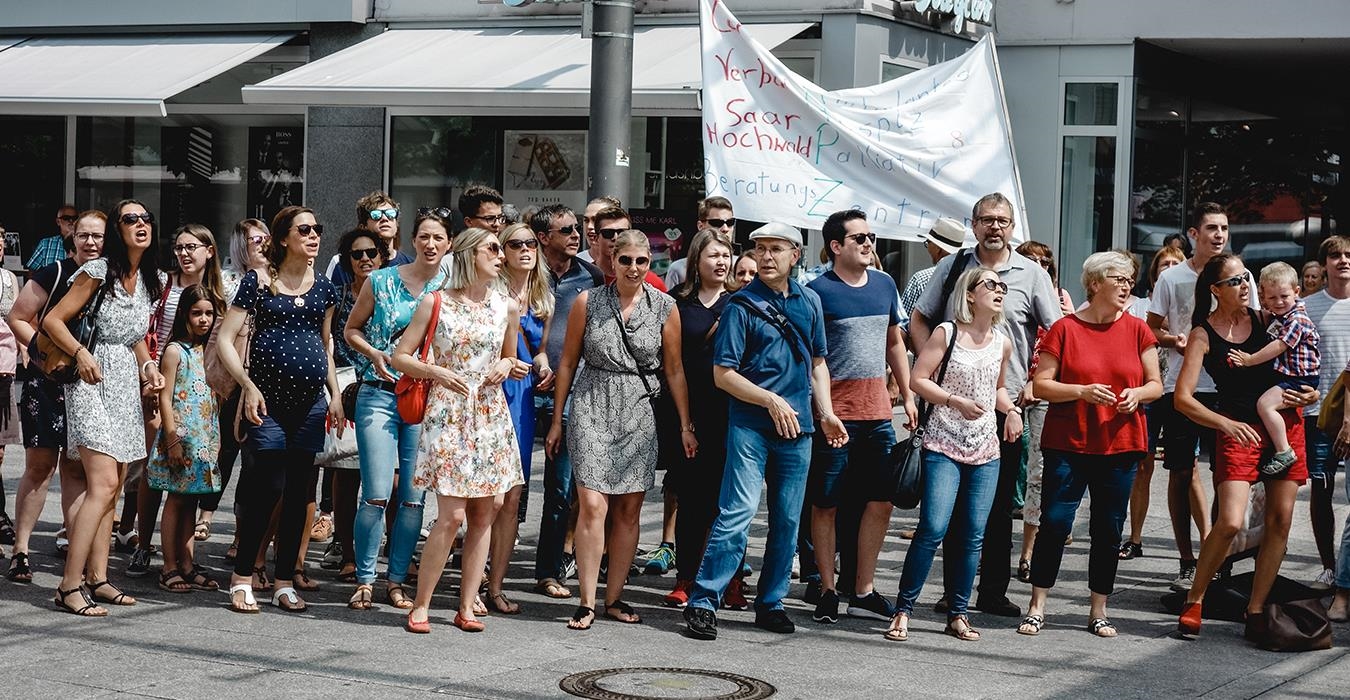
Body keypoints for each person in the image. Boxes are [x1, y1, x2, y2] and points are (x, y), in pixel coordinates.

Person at [683, 222, 847, 641]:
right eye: (760, 249)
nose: (766, 256)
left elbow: (817, 364)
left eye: (776, 249)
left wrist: (826, 412)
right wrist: (770, 400)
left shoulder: (809, 302)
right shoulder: (741, 306)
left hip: (800, 430)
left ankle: (770, 602)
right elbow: (723, 375)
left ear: (796, 254)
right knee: (736, 514)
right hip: (751, 427)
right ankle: (703, 601)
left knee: (788, 521)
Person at [911, 192, 1061, 619]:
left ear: (1013, 228)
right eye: (987, 220)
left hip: (1004, 404)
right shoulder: (954, 266)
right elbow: (919, 319)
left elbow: (1055, 332)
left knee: (996, 507)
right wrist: (933, 368)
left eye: (1003, 221)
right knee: (950, 506)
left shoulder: (1032, 274)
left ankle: (992, 590)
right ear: (974, 225)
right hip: (948, 407)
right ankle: (954, 590)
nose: (995, 227)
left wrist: (1034, 382)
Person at [546, 229, 695, 630]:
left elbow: (675, 369)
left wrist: (685, 424)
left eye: (641, 261)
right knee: (593, 505)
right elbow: (567, 362)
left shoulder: (665, 307)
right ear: (611, 261)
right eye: (625, 260)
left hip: (640, 409)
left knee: (628, 510)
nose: (633, 268)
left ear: (650, 264)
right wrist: (558, 418)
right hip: (592, 403)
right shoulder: (587, 301)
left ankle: (614, 597)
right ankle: (588, 600)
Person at [1018, 251, 1161, 638]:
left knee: (1108, 528)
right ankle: (1037, 605)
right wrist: (1080, 391)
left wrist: (1138, 394)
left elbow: (1156, 384)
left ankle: (1099, 609)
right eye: (1119, 278)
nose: (1127, 285)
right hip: (1069, 442)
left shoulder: (1137, 329)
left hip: (1121, 443)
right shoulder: (1064, 329)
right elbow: (1042, 385)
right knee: (1056, 523)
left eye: (1131, 279)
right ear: (1095, 283)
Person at [1175, 253, 1319, 638]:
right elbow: (1183, 399)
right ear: (1215, 290)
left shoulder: (1266, 318)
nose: (1245, 285)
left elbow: (1303, 358)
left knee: (1280, 521)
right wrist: (1225, 423)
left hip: (1283, 424)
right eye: (1235, 281)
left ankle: (1255, 610)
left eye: (1246, 278)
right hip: (1237, 428)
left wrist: (1309, 395)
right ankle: (1195, 598)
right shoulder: (1203, 334)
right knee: (1231, 521)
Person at [393, 227, 522, 634]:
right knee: (450, 515)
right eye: (493, 249)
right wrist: (434, 371)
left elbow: (509, 358)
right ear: (469, 254)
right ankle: (422, 604)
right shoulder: (435, 302)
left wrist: (507, 365)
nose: (501, 256)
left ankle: (467, 605)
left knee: (486, 512)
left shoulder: (507, 306)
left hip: (489, 411)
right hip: (448, 410)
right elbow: (400, 356)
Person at [215, 205, 343, 614]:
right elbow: (226, 338)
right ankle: (242, 577)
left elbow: (325, 343)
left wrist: (335, 392)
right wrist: (248, 386)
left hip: (309, 404)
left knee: (296, 492)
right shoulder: (258, 281)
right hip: (265, 401)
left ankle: (285, 579)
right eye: (304, 229)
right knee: (266, 485)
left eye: (317, 229)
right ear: (283, 237)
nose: (313, 235)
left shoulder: (323, 287)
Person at [43, 199, 166, 616]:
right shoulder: (98, 271)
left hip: (123, 387)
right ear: (117, 229)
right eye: (131, 219)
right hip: (88, 381)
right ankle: (68, 585)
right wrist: (80, 354)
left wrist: (149, 366)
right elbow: (53, 321)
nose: (141, 224)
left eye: (145, 217)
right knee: (100, 485)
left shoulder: (150, 278)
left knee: (113, 487)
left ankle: (99, 578)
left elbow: (133, 337)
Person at [884, 267, 1017, 643]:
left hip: (985, 448)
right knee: (933, 528)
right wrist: (952, 400)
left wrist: (1013, 411)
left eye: (1001, 286)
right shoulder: (947, 332)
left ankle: (958, 613)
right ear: (970, 294)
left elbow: (1000, 390)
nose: (998, 290)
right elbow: (917, 379)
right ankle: (903, 609)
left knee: (974, 535)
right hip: (943, 442)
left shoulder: (1001, 342)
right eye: (990, 284)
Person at [805, 210, 918, 624]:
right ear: (836, 246)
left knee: (881, 501)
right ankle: (829, 589)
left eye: (871, 236)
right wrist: (824, 412)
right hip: (835, 416)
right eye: (859, 238)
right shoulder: (817, 292)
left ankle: (863, 589)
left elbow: (894, 341)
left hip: (878, 414)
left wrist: (907, 394)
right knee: (827, 503)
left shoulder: (886, 284)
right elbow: (813, 359)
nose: (869, 243)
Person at [1146, 202, 1256, 592]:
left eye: (1224, 228)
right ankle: (1187, 560)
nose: (1219, 235)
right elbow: (1151, 329)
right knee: (1181, 472)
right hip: (1184, 387)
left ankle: (1217, 554)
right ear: (1194, 233)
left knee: (1227, 475)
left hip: (1229, 390)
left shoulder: (1241, 276)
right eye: (1211, 228)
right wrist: (1173, 341)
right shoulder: (1172, 278)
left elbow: (1254, 325)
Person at [344, 213, 448, 611]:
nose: (430, 244)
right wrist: (373, 352)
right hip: (379, 392)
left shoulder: (451, 288)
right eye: (424, 236)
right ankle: (365, 579)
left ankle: (396, 580)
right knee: (374, 493)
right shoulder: (381, 280)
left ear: (449, 244)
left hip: (426, 398)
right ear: (413, 239)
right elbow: (351, 329)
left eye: (438, 237)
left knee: (412, 498)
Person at [4, 210, 104, 583]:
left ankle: (75, 554)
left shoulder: (108, 279)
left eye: (98, 236)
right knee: (40, 467)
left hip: (88, 385)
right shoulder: (55, 272)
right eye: (84, 235)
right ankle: (22, 551)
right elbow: (17, 316)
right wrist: (39, 351)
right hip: (46, 382)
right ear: (72, 238)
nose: (91, 242)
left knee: (77, 469)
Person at [125, 223, 227, 578]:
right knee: (156, 474)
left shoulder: (221, 289)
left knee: (185, 490)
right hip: (164, 376)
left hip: (200, 390)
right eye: (179, 247)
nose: (184, 253)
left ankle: (185, 560)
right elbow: (140, 330)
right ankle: (144, 546)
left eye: (192, 247)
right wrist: (149, 373)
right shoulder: (161, 285)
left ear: (209, 251)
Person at [663, 229, 737, 608]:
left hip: (732, 411)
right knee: (692, 499)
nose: (721, 262)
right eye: (713, 256)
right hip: (689, 410)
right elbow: (672, 364)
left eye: (726, 255)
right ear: (696, 261)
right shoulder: (678, 303)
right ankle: (687, 577)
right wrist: (684, 423)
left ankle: (731, 578)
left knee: (730, 501)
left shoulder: (741, 303)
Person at [532, 203, 603, 599]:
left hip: (571, 393)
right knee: (510, 488)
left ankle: (548, 571)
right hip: (523, 389)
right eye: (566, 230)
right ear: (544, 238)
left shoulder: (590, 277)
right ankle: (490, 572)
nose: (577, 235)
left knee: (561, 488)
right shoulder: (525, 274)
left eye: (577, 228)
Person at [320, 227, 391, 589]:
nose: (365, 259)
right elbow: (327, 346)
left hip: (389, 386)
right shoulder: (336, 296)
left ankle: (394, 556)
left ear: (382, 256)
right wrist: (334, 392)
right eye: (357, 254)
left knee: (392, 479)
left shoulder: (393, 291)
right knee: (347, 472)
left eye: (371, 253)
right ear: (347, 261)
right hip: (347, 384)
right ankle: (347, 553)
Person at [489, 222, 554, 614]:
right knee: (488, 496)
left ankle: (495, 585)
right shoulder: (489, 292)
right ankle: (475, 578)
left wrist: (543, 364)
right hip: (492, 390)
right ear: (503, 252)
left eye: (531, 243)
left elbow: (541, 349)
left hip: (524, 394)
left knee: (512, 496)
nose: (526, 249)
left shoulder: (544, 294)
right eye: (516, 244)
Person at [196, 219, 270, 554]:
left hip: (266, 378)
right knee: (225, 452)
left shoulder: (279, 279)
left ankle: (242, 535)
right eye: (255, 239)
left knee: (255, 463)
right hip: (232, 379)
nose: (262, 244)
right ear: (242, 245)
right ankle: (206, 513)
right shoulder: (228, 282)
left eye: (265, 238)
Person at [148, 285, 221, 593]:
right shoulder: (176, 350)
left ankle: (188, 564)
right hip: (180, 436)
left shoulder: (211, 350)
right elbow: (165, 398)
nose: (203, 320)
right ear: (184, 315)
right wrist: (172, 438)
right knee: (176, 500)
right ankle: (168, 567)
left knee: (191, 499)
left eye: (208, 313)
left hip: (204, 437)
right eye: (197, 313)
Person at [1119, 245, 1187, 561]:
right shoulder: (1142, 306)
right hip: (1146, 391)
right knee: (1141, 465)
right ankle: (1134, 537)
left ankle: (1198, 545)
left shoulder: (1189, 302)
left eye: (1176, 263)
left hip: (1177, 389)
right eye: (1164, 263)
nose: (1168, 268)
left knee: (1186, 470)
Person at [1226, 262, 1319, 475]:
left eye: (1284, 296)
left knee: (1265, 405)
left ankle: (1284, 450)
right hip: (1292, 375)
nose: (1278, 302)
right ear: (1263, 297)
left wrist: (1250, 360)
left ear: (1297, 292)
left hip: (1300, 378)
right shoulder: (1280, 317)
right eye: (1272, 298)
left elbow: (1278, 346)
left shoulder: (1297, 319)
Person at [1303, 236, 1350, 604]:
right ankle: (1328, 566)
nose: (1343, 261)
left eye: (1348, 255)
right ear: (1324, 264)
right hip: (1316, 413)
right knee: (1320, 490)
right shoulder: (1306, 307)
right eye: (1335, 256)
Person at [325, 191, 413, 286]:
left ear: (396, 224)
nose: (384, 218)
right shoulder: (342, 262)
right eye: (376, 215)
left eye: (390, 214)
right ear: (363, 226)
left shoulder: (411, 265)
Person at [898, 217, 963, 336]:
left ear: (938, 248)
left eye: (928, 243)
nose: (927, 247)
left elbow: (903, 326)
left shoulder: (921, 279)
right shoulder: (972, 276)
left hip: (926, 349)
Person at [590, 207, 668, 292]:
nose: (616, 237)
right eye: (608, 233)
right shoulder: (583, 278)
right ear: (596, 238)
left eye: (622, 233)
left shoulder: (654, 283)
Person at [665, 197, 735, 290]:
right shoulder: (679, 269)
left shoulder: (742, 266)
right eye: (717, 222)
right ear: (701, 226)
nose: (725, 228)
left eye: (730, 222)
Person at [25, 204, 78, 271]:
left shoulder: (84, 243)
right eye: (66, 218)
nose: (71, 221)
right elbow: (32, 270)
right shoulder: (45, 244)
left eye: (74, 218)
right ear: (58, 221)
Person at [577, 196, 622, 265]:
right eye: (586, 220)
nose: (589, 226)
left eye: (596, 220)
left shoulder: (630, 262)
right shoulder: (574, 263)